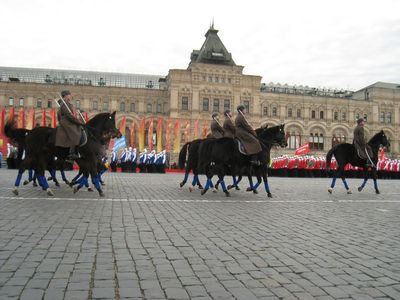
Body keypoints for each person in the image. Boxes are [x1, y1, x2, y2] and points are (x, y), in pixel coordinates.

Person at [55, 90, 85, 160]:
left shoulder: (66, 104)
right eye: (69, 95)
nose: (70, 96)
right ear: (65, 96)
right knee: (76, 133)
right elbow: (69, 116)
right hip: (67, 122)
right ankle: (72, 152)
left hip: (67, 121)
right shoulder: (64, 104)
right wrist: (79, 122)